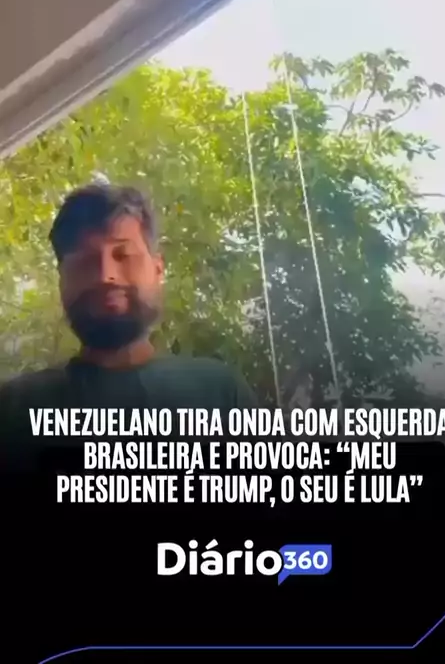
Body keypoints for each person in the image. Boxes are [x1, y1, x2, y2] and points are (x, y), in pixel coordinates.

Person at [0, 183, 257, 460]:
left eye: (123, 255)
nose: (105, 275)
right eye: (86, 261)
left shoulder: (221, 394)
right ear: (62, 280)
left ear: (157, 270)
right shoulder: (13, 409)